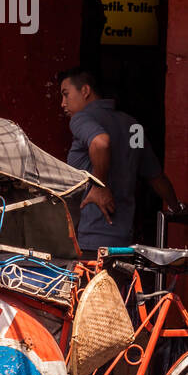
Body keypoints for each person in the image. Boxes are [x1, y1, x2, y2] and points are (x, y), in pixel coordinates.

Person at [59, 67, 184, 254]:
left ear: (85, 91)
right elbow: (155, 176)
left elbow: (100, 142)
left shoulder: (81, 119)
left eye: (66, 95)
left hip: (90, 238)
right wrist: (176, 207)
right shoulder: (135, 126)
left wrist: (99, 186)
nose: (62, 103)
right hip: (123, 238)